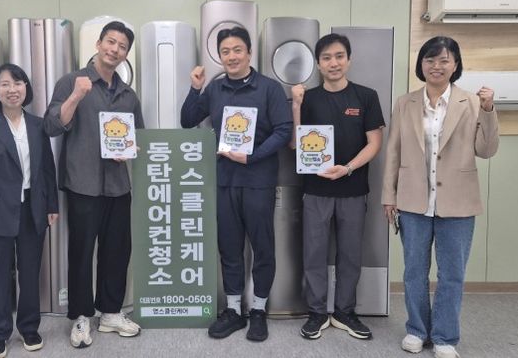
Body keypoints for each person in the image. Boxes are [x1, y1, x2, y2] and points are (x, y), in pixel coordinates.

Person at [381, 36, 499, 358]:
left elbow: (486, 150)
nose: (436, 66)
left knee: (452, 274)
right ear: (421, 64)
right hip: (412, 200)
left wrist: (489, 110)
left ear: (455, 64)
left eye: (444, 60)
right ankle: (417, 330)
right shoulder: (405, 103)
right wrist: (389, 195)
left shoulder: (471, 102)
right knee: (414, 271)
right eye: (430, 60)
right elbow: (393, 152)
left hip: (459, 202)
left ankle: (445, 336)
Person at [180, 26, 292, 342]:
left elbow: (284, 130)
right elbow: (187, 121)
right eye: (225, 51)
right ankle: (233, 310)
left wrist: (251, 156)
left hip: (258, 181)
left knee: (262, 247)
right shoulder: (214, 90)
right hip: (224, 181)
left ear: (249, 53)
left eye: (237, 50)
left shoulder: (269, 89)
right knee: (229, 247)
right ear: (220, 55)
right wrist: (195, 89)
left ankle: (258, 310)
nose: (231, 56)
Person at [44, 21, 144, 348]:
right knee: (82, 251)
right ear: (99, 43)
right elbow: (52, 126)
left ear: (126, 54)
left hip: (118, 185)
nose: (115, 49)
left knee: (117, 250)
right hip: (82, 183)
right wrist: (76, 96)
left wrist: (128, 151)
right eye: (110, 42)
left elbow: (136, 136)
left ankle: (111, 312)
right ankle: (81, 316)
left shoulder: (128, 95)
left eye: (122, 46)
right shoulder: (72, 82)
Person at [291, 33, 384, 341]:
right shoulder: (308, 98)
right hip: (315, 190)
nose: (334, 63)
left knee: (350, 254)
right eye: (327, 57)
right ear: (318, 64)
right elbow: (295, 144)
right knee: (314, 253)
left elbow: (374, 143)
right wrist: (296, 106)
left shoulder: (366, 96)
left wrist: (347, 168)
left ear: (349, 60)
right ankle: (317, 312)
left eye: (339, 56)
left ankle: (345, 311)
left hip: (353, 189)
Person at [0, 63, 59, 358]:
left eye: (17, 83)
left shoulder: (38, 125)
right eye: (4, 84)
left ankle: (29, 328)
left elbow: (47, 169)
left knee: (29, 273)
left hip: (32, 209)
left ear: (26, 88)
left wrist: (52, 205)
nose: (12, 89)